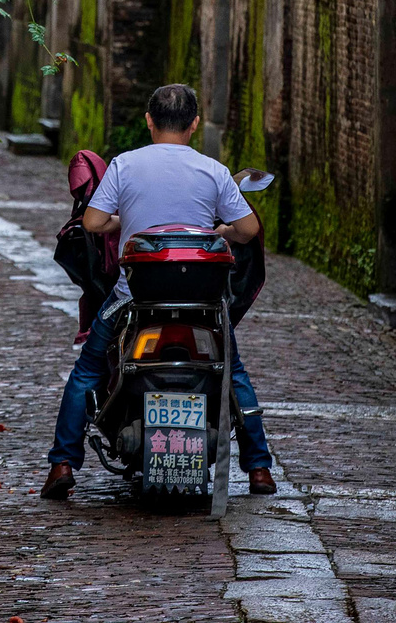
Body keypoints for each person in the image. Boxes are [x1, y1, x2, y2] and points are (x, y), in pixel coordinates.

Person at [41, 83, 276, 501]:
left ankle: (63, 463)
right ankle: (258, 469)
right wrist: (218, 229)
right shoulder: (214, 171)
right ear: (195, 125)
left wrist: (124, 221)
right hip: (203, 305)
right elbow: (249, 230)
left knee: (88, 369)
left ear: (149, 121)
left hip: (133, 297)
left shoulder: (125, 165)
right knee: (233, 372)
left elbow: (92, 223)